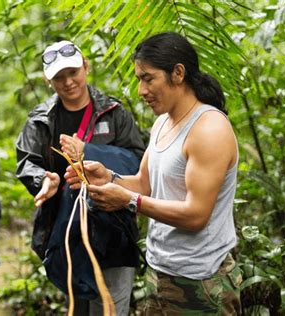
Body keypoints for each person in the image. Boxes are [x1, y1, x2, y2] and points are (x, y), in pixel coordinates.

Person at [65, 32, 243, 315]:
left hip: (202, 282)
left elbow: (196, 215)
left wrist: (127, 200)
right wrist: (108, 177)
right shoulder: (163, 123)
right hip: (160, 274)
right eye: (139, 80)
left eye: (148, 78)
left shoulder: (209, 130)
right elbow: (145, 185)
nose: (141, 90)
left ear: (178, 73)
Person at [16, 40, 145, 315]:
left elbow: (137, 161)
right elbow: (27, 161)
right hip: (65, 230)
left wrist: (90, 151)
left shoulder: (114, 112)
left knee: (112, 306)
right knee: (77, 305)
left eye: (73, 72)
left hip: (114, 228)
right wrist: (44, 180)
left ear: (86, 67)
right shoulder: (41, 119)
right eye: (59, 77)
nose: (68, 82)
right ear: (48, 81)